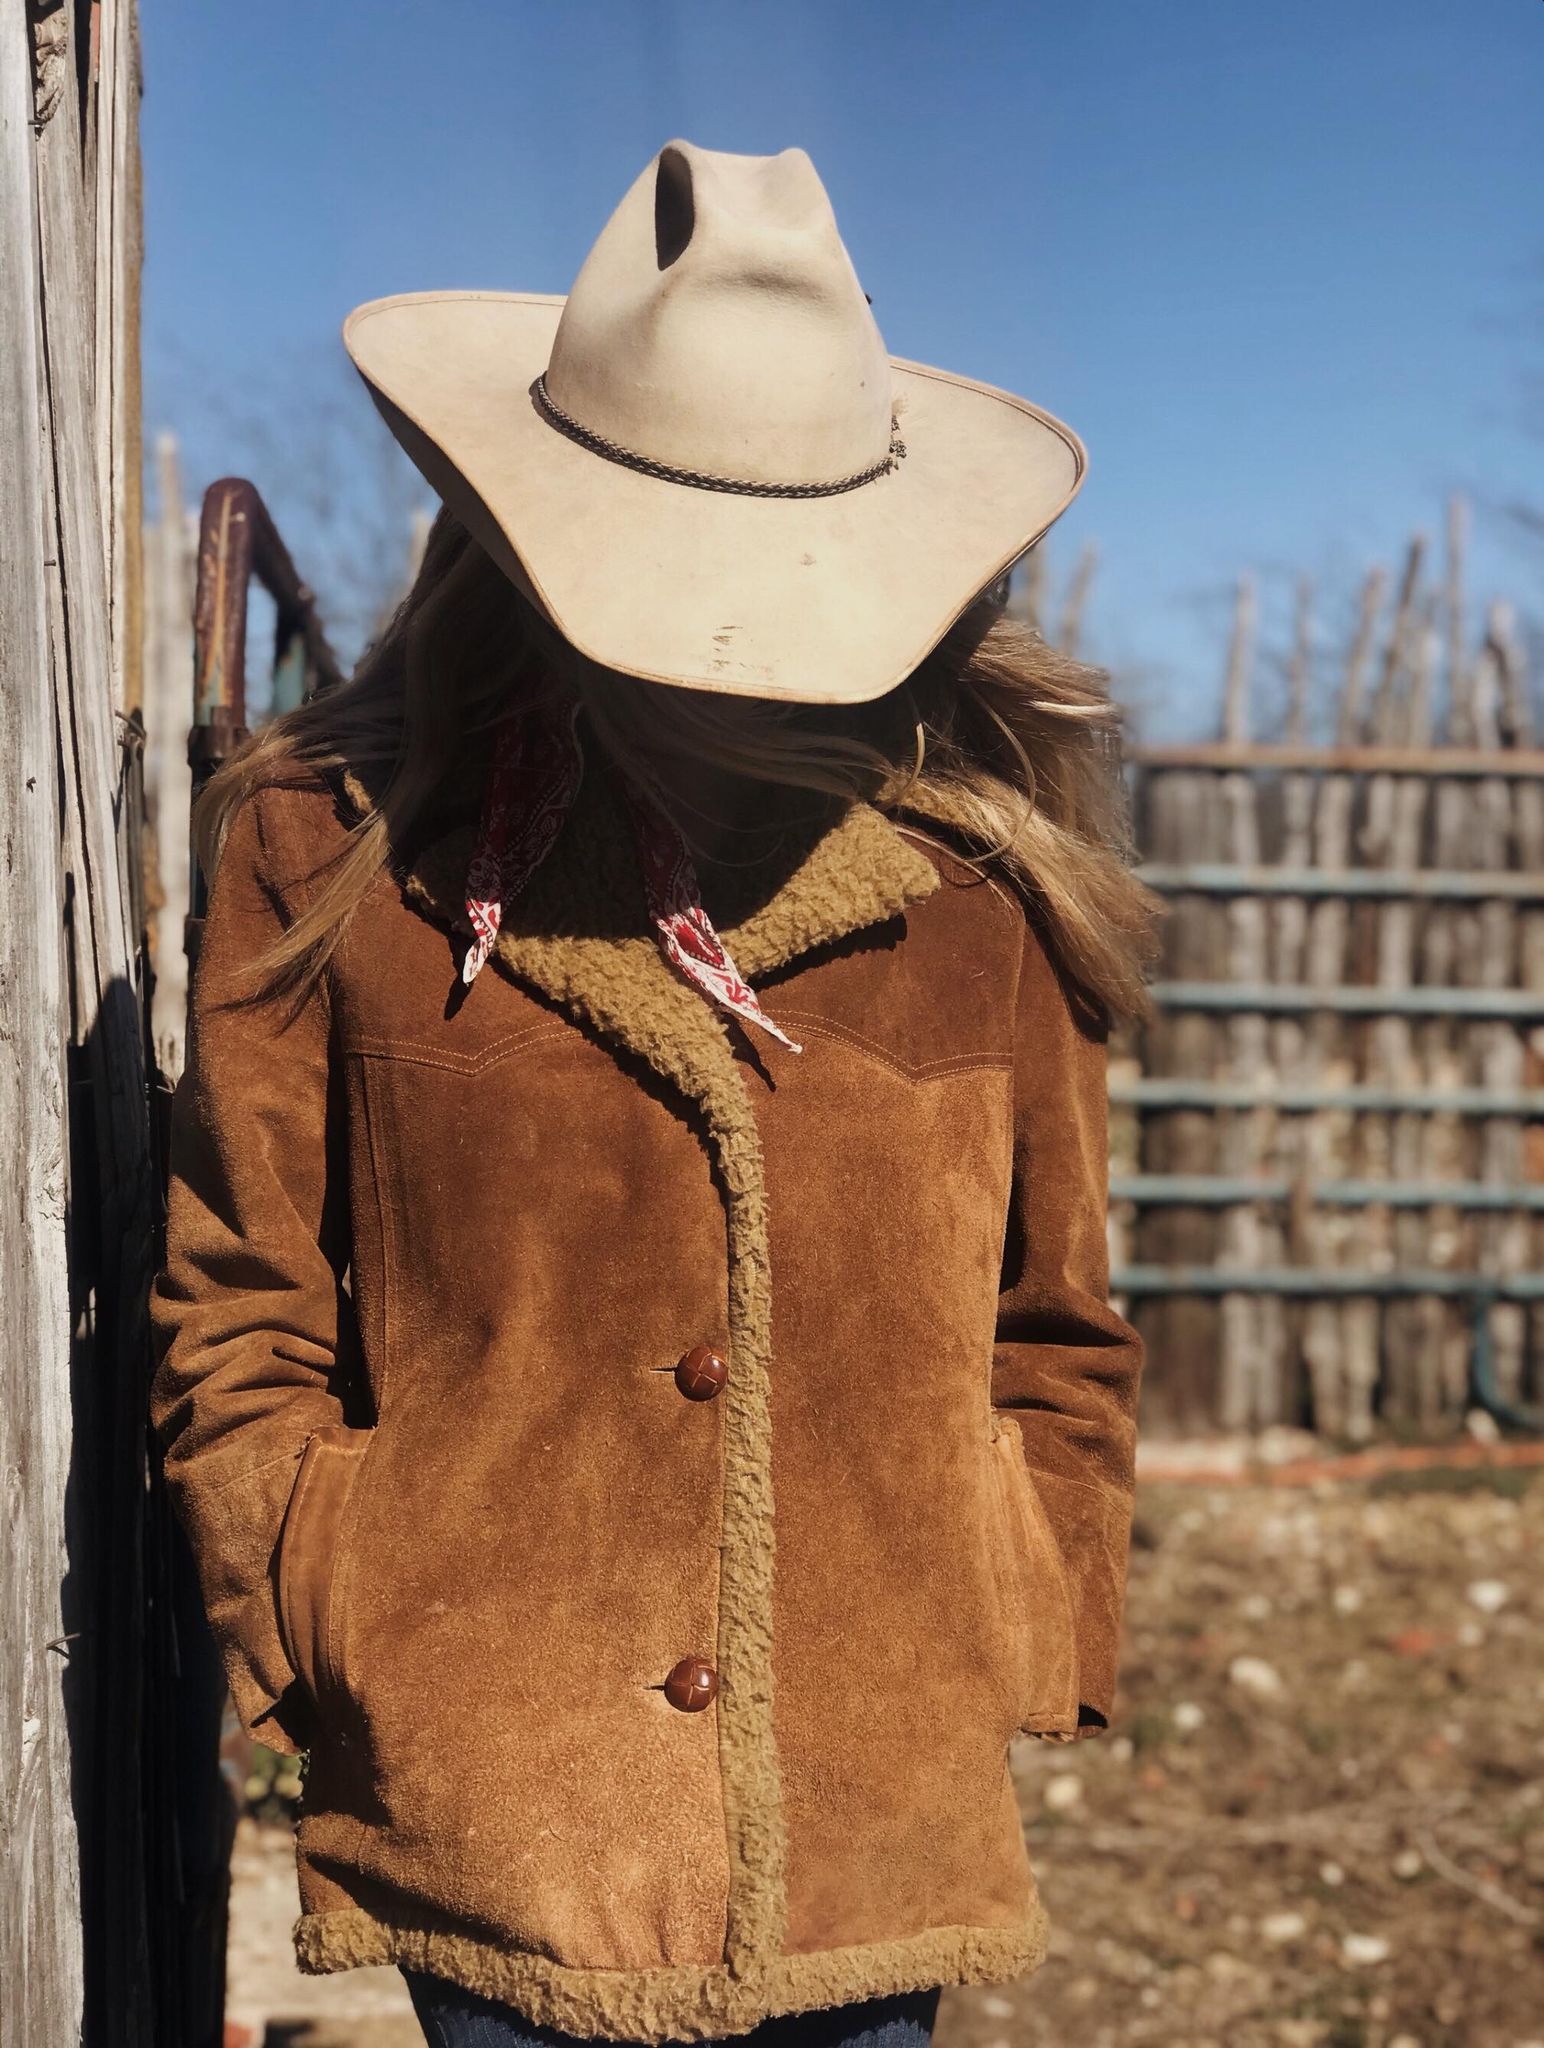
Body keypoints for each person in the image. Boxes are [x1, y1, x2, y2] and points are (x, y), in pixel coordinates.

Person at [149, 140, 1157, 2048]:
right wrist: (319, 1597)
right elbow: (245, 1297)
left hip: (875, 1793)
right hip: (493, 1778)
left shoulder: (974, 895)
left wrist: (1024, 1611)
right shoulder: (333, 848)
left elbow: (1060, 1327)